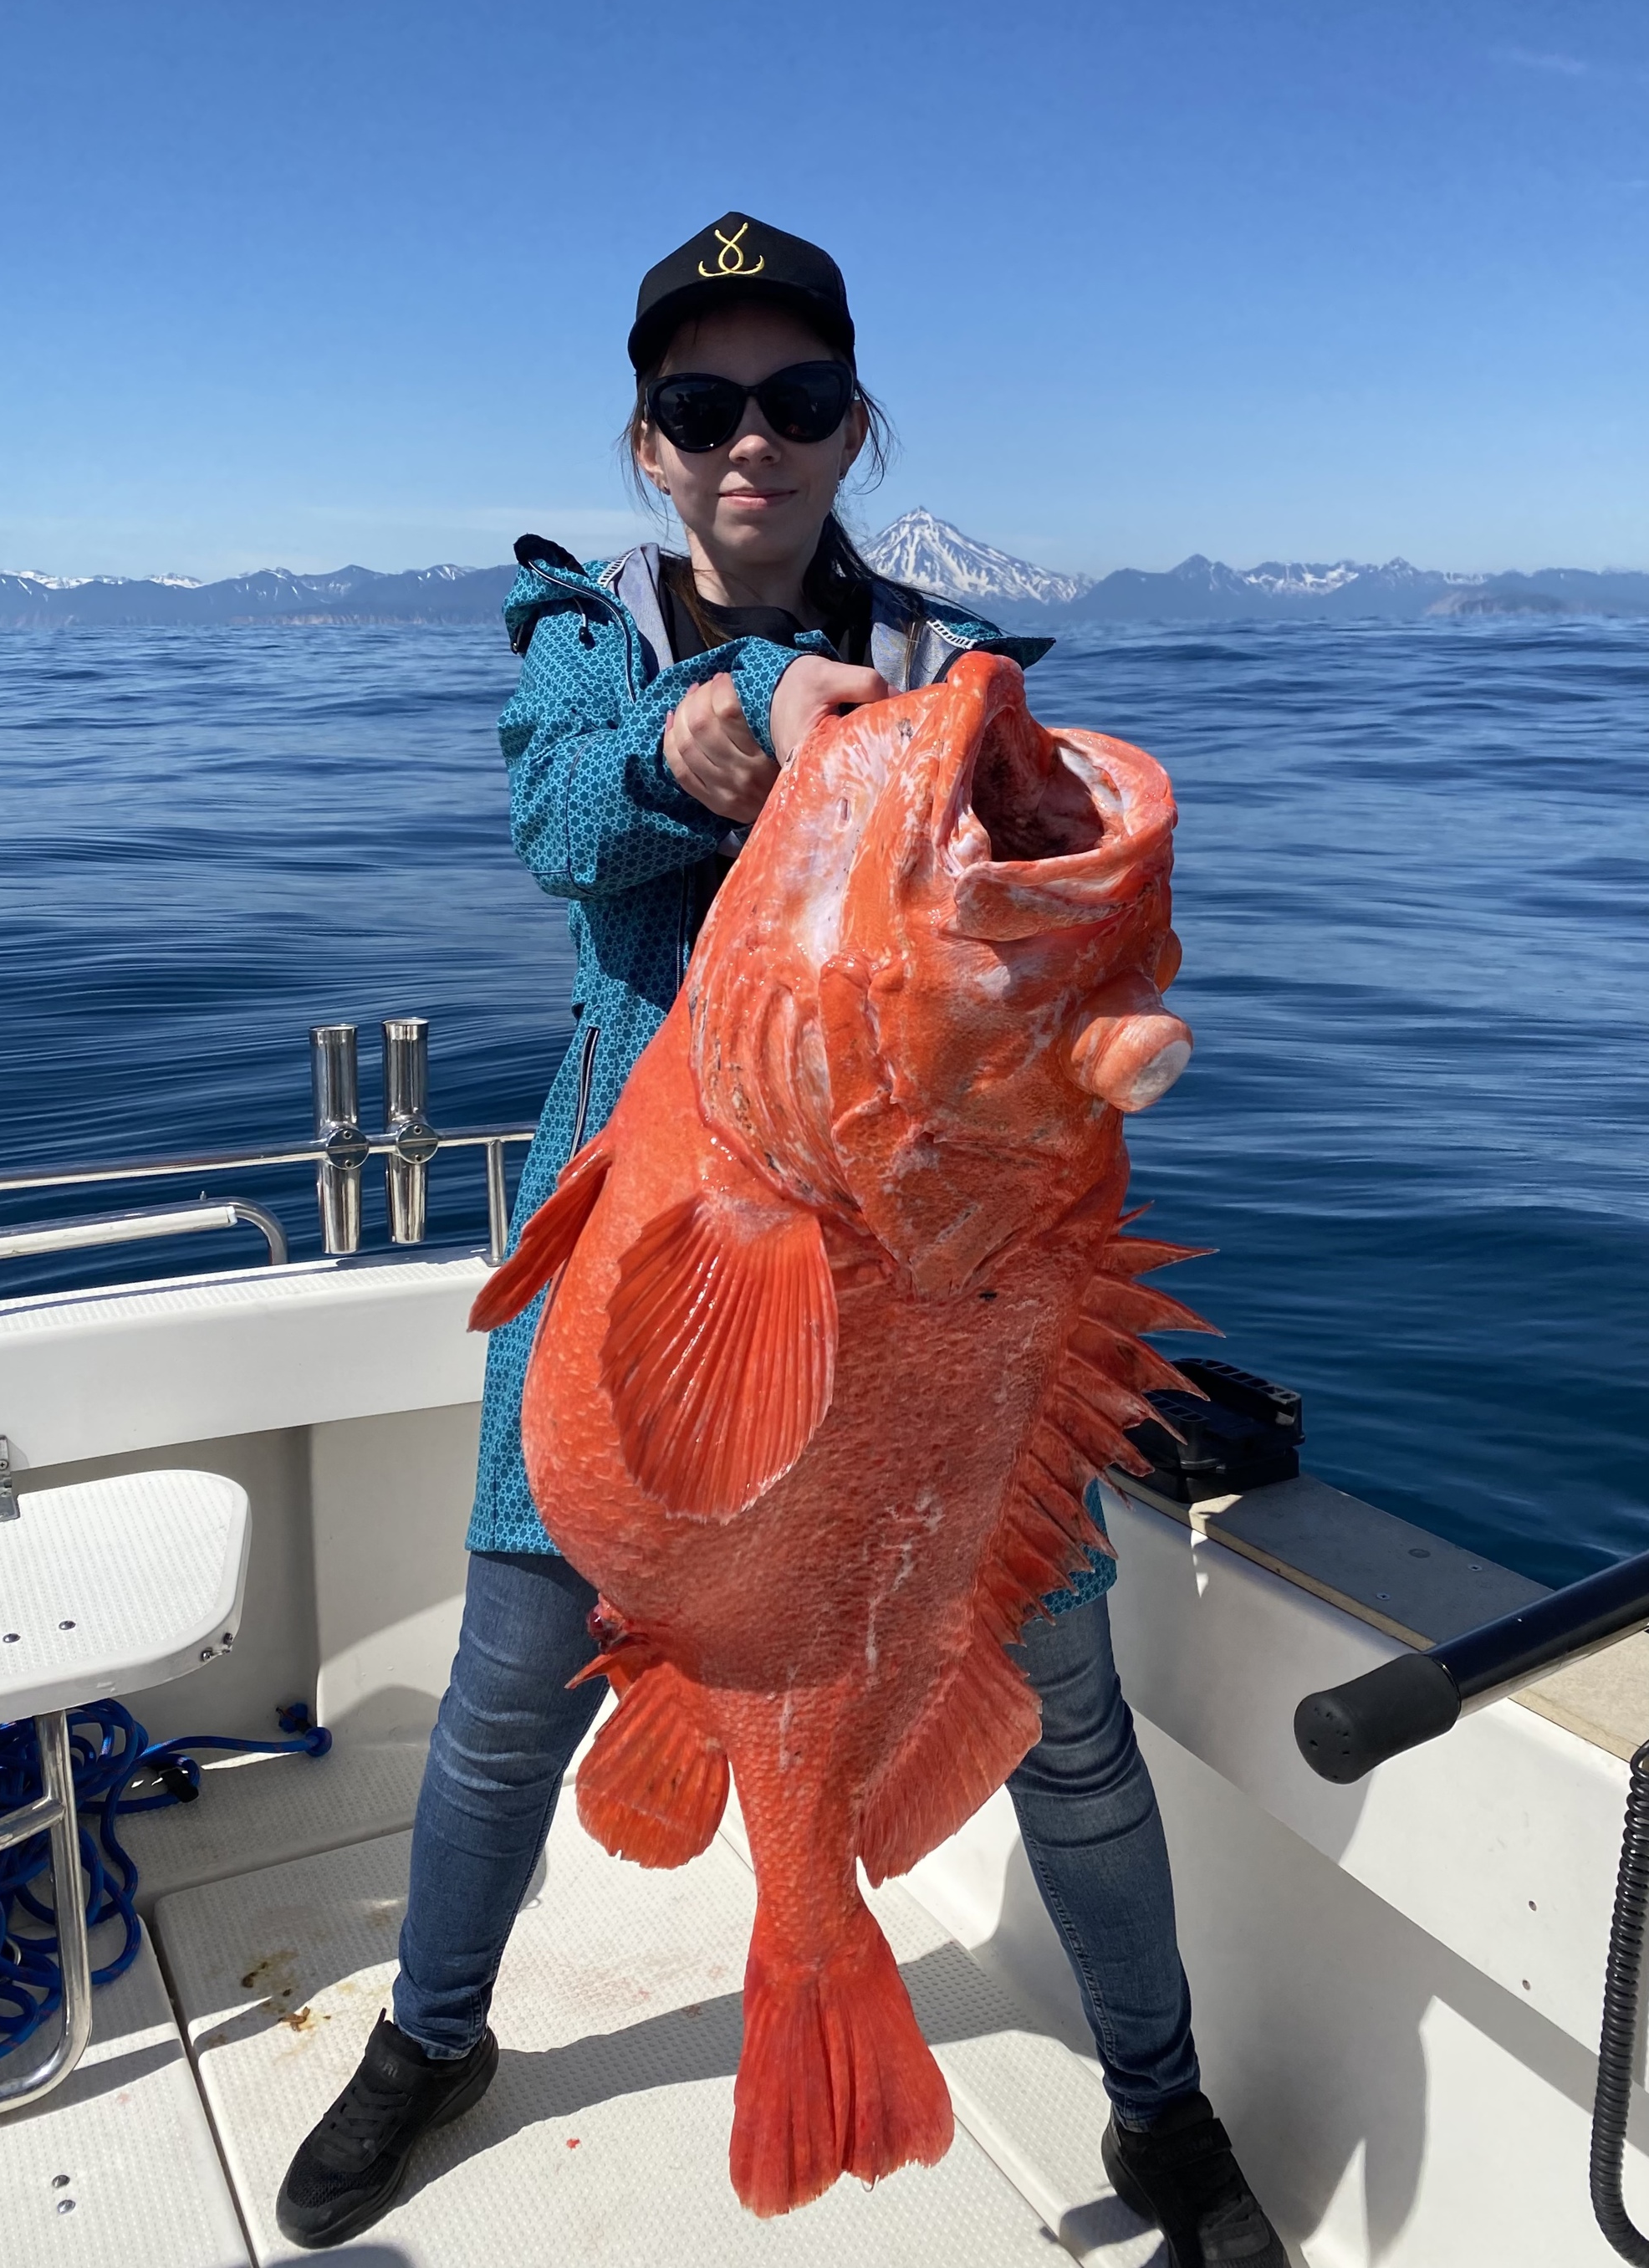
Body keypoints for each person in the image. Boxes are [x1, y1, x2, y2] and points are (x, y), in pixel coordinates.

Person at [276, 214, 1289, 2268]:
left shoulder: (933, 666)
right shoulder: (593, 632)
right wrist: (709, 731)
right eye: (701, 404)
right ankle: (431, 2035)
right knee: (504, 1693)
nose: (753, 439)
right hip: (639, 1267)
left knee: (1059, 1702)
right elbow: (563, 814)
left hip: (933, 1275)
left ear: (852, 425)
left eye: (798, 400)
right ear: (648, 445)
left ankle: (1158, 2100)